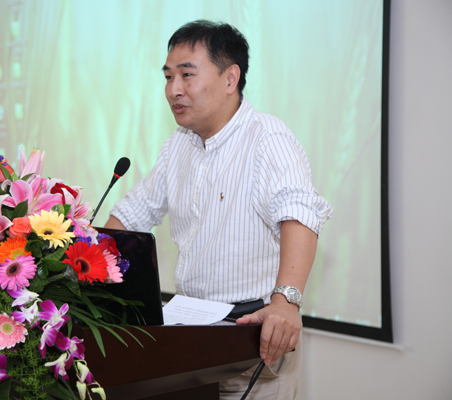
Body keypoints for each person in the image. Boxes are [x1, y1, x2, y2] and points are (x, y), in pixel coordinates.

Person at [105, 20, 332, 399]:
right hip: (192, 341)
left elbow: (300, 215)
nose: (174, 90)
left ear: (230, 78)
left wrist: (285, 303)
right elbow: (131, 216)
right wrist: (85, 265)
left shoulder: (267, 137)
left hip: (252, 338)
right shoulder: (178, 145)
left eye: (187, 75)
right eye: (168, 77)